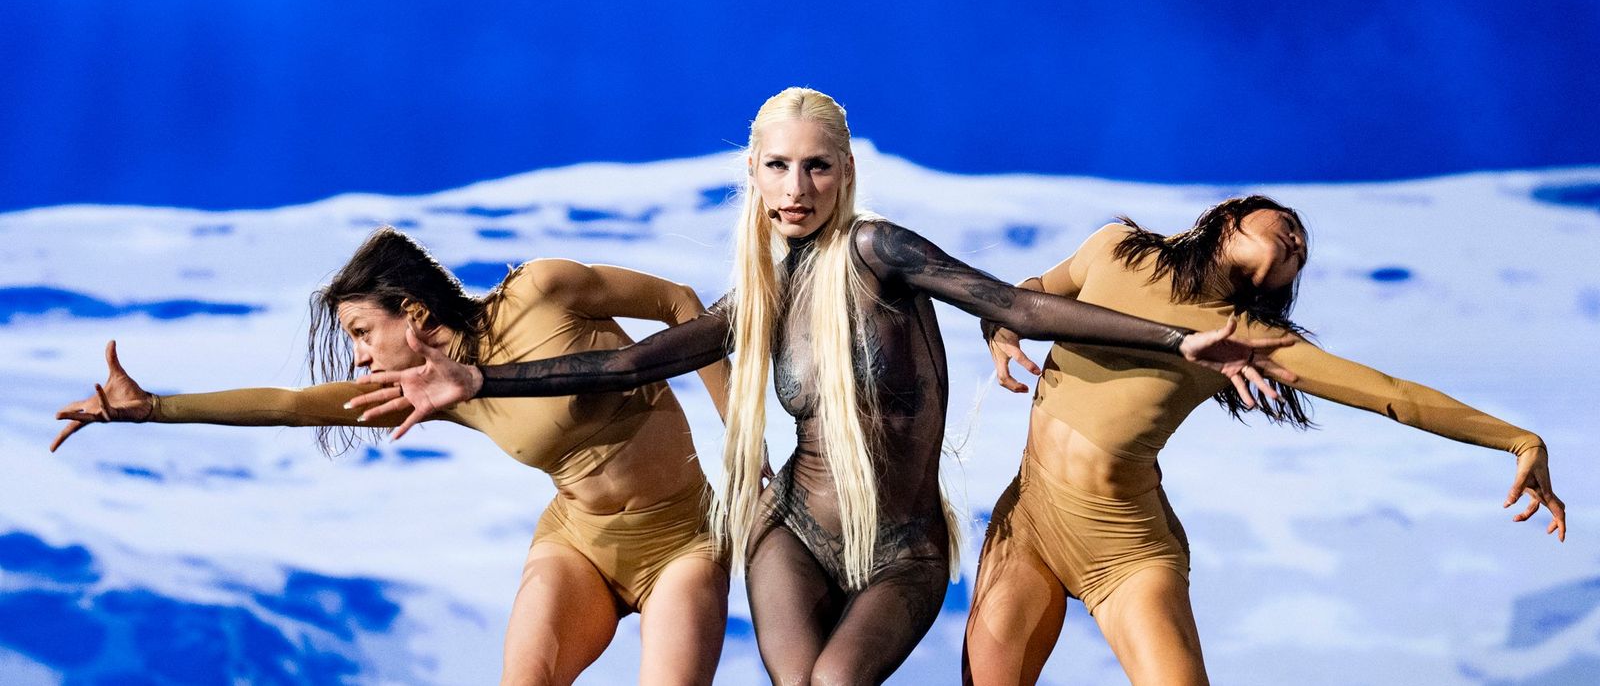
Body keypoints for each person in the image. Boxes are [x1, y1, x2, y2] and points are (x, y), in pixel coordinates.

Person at [349, 88, 1300, 685]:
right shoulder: (760, 290)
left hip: (903, 546)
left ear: (845, 173)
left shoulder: (880, 252)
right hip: (791, 529)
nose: (795, 184)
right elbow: (638, 360)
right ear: (753, 177)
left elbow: (1017, 303)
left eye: (815, 166)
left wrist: (1178, 340)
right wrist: (481, 376)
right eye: (777, 167)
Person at [51, 228, 733, 686]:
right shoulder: (431, 393)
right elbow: (291, 405)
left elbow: (681, 306)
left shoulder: (543, 291)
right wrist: (155, 407)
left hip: (682, 540)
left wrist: (740, 430)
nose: (359, 355)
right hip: (578, 545)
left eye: (361, 332)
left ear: (410, 311)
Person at [963, 196, 1566, 686]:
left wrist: (1519, 439)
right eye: (1287, 225)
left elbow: (1393, 394)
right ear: (1230, 217)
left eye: (1303, 249)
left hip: (1125, 552)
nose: (1299, 241)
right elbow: (1032, 291)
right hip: (1028, 522)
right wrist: (1001, 330)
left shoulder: (1252, 339)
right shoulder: (1113, 249)